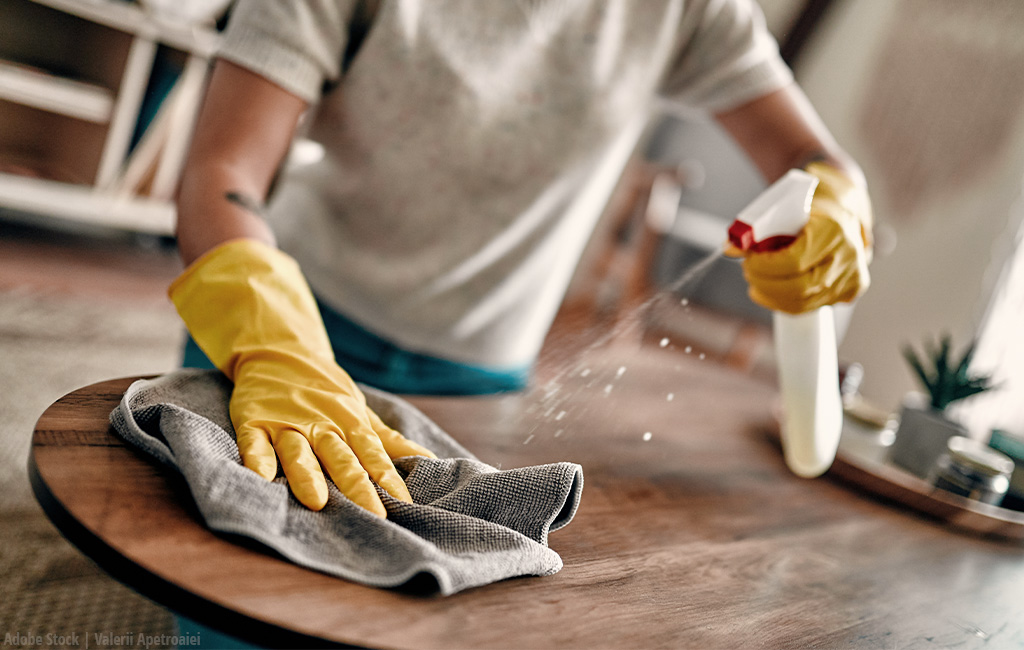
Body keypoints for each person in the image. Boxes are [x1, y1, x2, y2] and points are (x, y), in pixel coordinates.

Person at [171, 0, 872, 517]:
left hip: (478, 379)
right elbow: (223, 168)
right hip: (278, 331)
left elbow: (811, 157)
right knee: (225, 580)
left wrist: (838, 200)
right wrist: (277, 348)